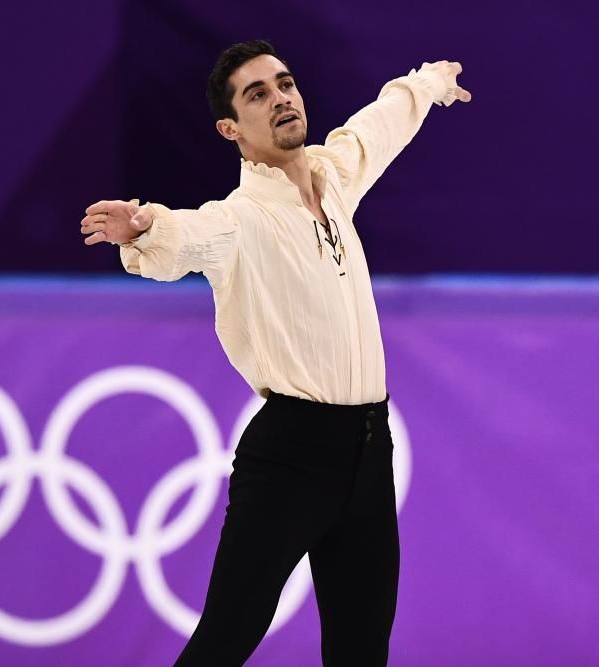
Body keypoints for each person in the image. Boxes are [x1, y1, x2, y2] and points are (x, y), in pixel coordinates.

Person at [80, 39, 471, 666]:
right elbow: (188, 235)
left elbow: (376, 128)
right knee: (227, 637)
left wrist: (425, 84)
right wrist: (147, 224)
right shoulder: (241, 219)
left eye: (284, 84)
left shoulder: (333, 176)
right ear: (230, 128)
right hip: (293, 455)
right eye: (257, 94)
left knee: (362, 651)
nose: (280, 99)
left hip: (369, 449)